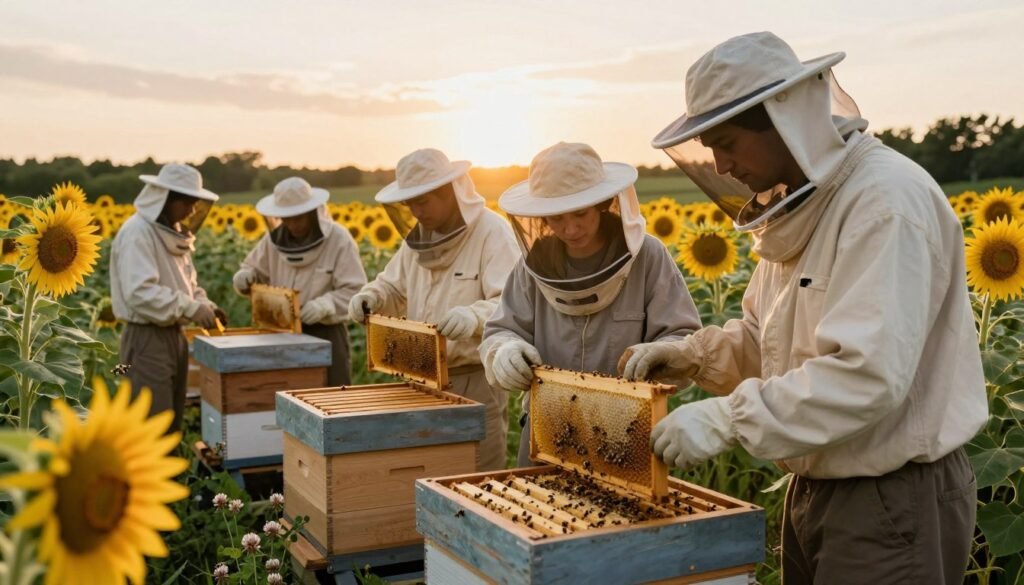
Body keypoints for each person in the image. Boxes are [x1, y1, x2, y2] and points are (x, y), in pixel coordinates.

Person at [621, 32, 988, 584]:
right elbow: (767, 340)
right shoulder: (799, 204)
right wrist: (692, 355)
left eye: (729, 141)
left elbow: (866, 375)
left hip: (891, 496)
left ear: (786, 118)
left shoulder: (883, 203)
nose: (720, 164)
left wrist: (729, 418)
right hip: (817, 487)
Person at [480, 142, 701, 467]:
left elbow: (685, 340)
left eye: (580, 213)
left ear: (603, 203)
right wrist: (503, 352)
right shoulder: (532, 266)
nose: (570, 228)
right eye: (556, 217)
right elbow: (500, 332)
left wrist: (665, 353)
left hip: (626, 439)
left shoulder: (648, 257)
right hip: (546, 435)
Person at [348, 148, 520, 471]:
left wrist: (473, 317)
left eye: (422, 202)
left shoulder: (492, 233)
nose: (415, 211)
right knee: (426, 473)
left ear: (449, 193)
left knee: (477, 477)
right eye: (409, 204)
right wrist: (371, 296)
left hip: (474, 380)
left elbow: (512, 304)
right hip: (420, 379)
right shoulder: (416, 241)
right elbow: (392, 286)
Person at [110, 163, 225, 432]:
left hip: (175, 335)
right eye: (188, 203)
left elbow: (188, 285)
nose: (192, 211)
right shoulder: (138, 233)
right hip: (146, 337)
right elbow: (140, 293)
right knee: (151, 425)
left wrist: (205, 305)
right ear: (167, 199)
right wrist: (191, 308)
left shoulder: (172, 234)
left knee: (171, 420)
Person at [232, 177, 366, 385]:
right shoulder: (272, 241)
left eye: (298, 218)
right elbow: (253, 270)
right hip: (281, 331)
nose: (292, 225)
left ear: (312, 213)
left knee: (330, 401)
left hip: (326, 333)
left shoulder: (339, 239)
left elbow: (356, 290)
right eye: (286, 219)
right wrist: (245, 277)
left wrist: (326, 304)